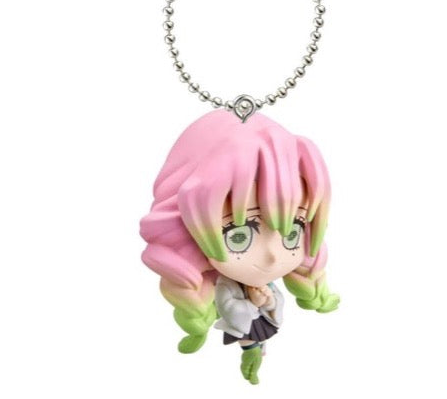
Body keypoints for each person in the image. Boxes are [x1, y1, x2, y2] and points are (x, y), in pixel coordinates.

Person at [140, 110, 339, 384]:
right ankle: (252, 352)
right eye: (239, 236)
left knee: (260, 339)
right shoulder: (226, 284)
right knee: (250, 340)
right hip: (246, 319)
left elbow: (274, 302)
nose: (273, 257)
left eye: (293, 232)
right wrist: (255, 302)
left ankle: (257, 351)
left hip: (260, 316)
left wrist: (268, 301)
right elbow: (228, 306)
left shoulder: (265, 275)